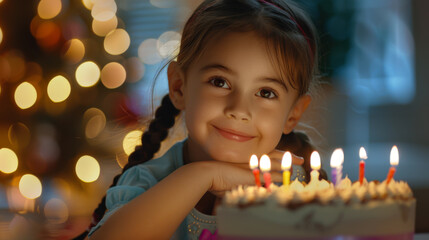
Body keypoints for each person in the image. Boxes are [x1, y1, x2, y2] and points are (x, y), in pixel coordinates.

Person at [76, 0, 325, 239]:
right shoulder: (147, 183)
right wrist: (205, 175)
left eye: (266, 93)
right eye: (220, 82)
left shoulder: (300, 190)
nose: (239, 109)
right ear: (179, 87)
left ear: (293, 114)